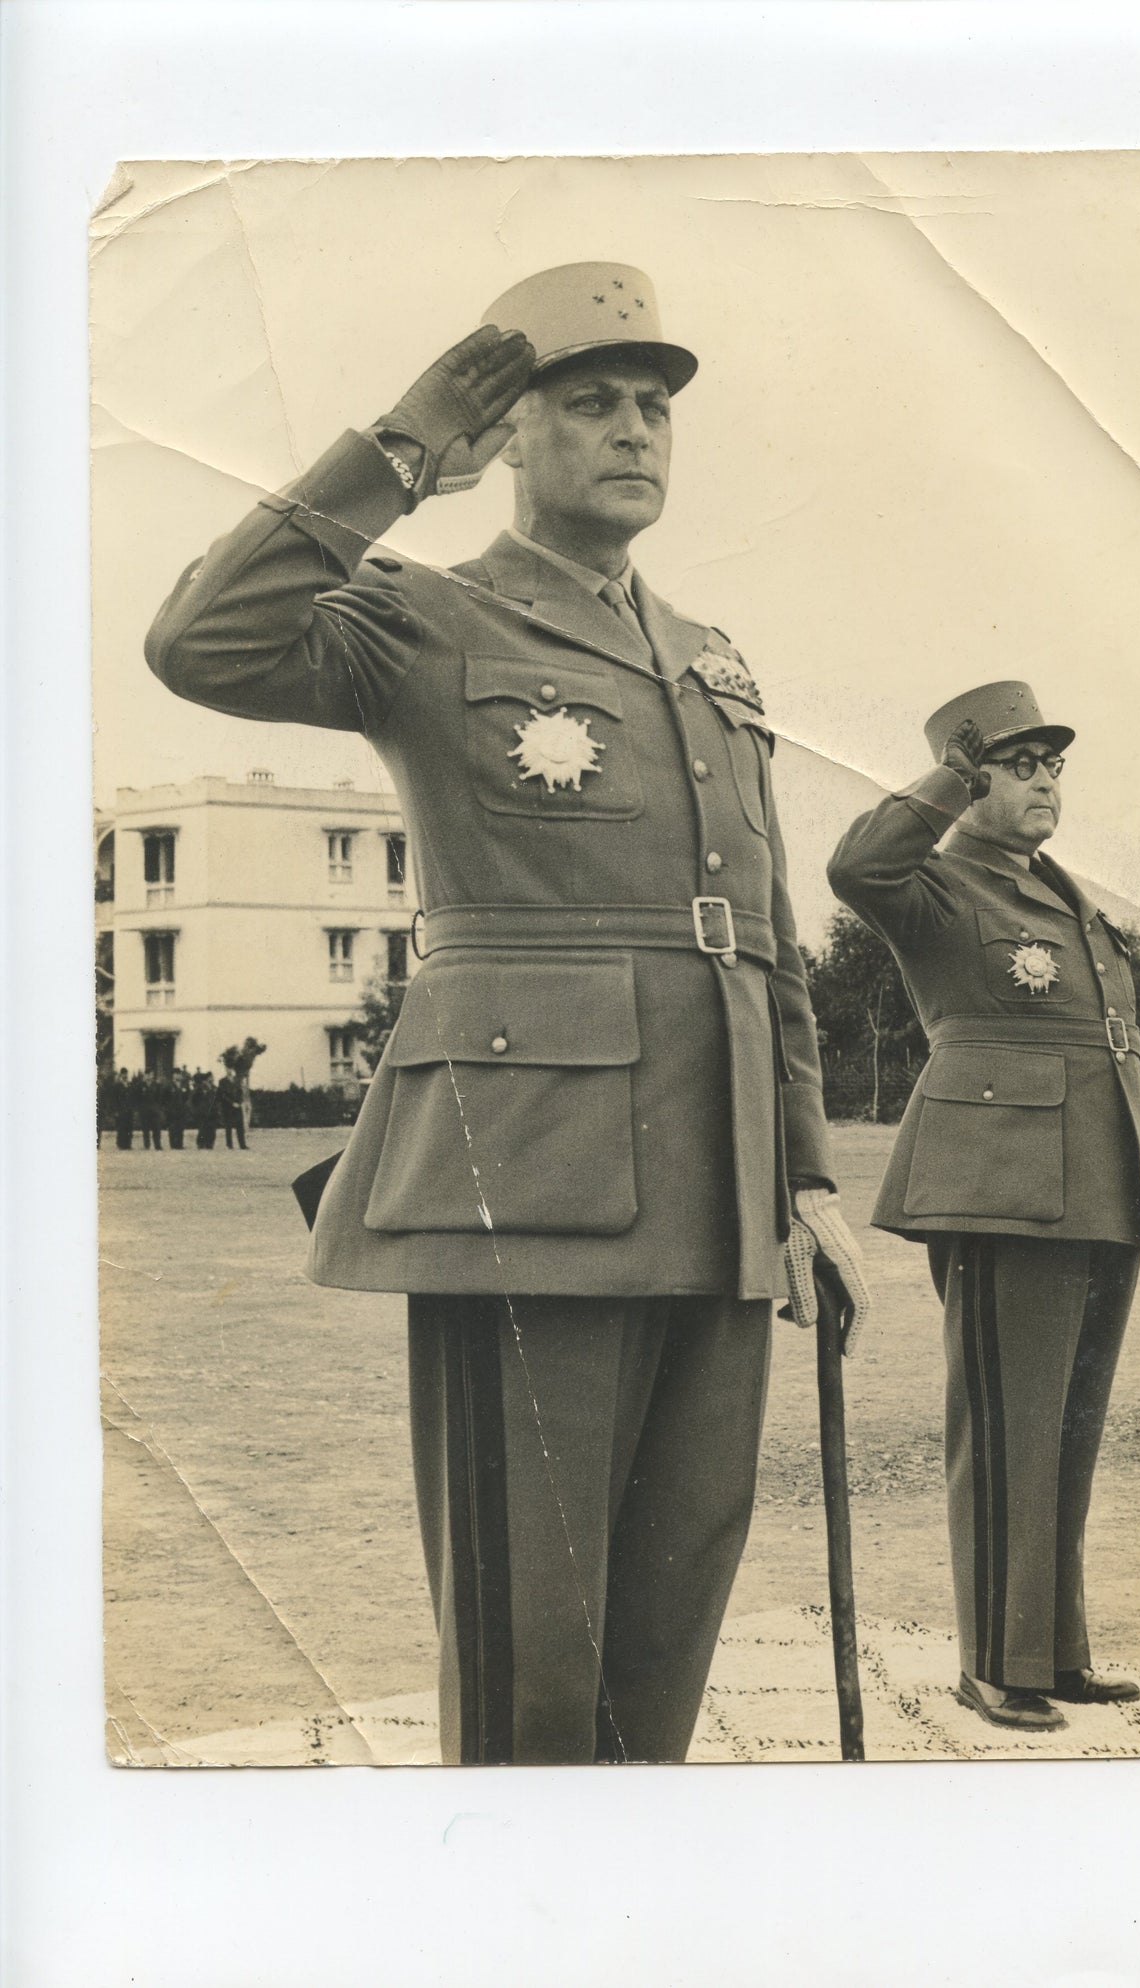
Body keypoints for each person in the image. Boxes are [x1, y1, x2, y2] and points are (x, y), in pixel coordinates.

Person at [146, 261, 869, 1766]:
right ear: (514, 437)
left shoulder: (711, 657)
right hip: (528, 1168)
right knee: (531, 1631)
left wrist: (806, 1168)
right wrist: (402, 449)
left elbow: (768, 934)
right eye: (589, 402)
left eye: (655, 408)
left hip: (722, 1176)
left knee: (675, 1598)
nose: (633, 432)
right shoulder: (428, 616)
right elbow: (202, 641)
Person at [828, 681, 1140, 1732]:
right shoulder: (936, 885)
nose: (1043, 783)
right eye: (1016, 767)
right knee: (1007, 1429)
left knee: (1064, 1431)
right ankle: (990, 1662)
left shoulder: (1061, 894)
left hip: (1095, 1181)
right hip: (1001, 1185)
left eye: (1050, 765)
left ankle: (1051, 1651)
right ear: (970, 780)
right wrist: (949, 779)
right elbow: (855, 865)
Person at [216, 1072, 247, 1150]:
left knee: (240, 1126)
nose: (229, 1070)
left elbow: (240, 1092)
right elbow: (222, 1095)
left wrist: (239, 1102)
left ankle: (242, 1145)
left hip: (238, 1107)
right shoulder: (222, 1081)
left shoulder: (237, 1080)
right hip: (228, 1107)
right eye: (228, 1068)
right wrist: (232, 1103)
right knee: (228, 1126)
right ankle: (229, 1145)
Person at [112, 1068, 135, 1151]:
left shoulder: (129, 1084)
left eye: (126, 1073)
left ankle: (128, 1144)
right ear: (121, 1075)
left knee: (129, 1127)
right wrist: (115, 1111)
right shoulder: (117, 1085)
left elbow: (132, 1097)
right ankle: (121, 1144)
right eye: (123, 1074)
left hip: (129, 1110)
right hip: (121, 1110)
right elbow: (114, 1099)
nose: (125, 1075)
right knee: (121, 1127)